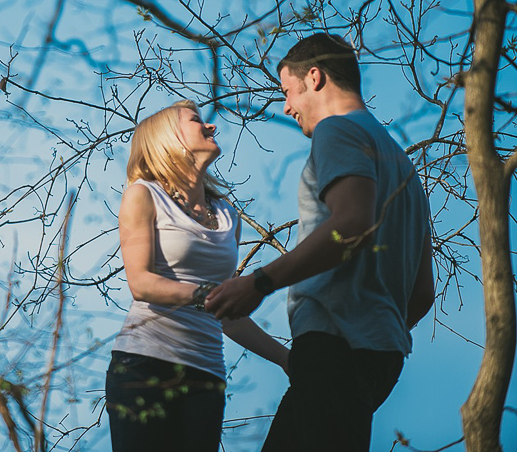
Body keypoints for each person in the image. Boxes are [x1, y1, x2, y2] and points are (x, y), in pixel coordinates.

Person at [206, 33, 435, 452]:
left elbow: (350, 224)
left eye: (287, 92)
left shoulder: (337, 131)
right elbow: (422, 293)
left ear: (314, 78)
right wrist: (377, 328)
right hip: (381, 358)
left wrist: (259, 283)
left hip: (333, 348)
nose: (286, 106)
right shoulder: (404, 167)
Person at [106, 100, 289, 452]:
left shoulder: (227, 216)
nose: (211, 127)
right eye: (196, 121)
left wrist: (286, 360)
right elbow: (141, 283)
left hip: (207, 376)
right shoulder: (143, 196)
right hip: (144, 366)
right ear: (167, 138)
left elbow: (228, 315)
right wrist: (206, 294)